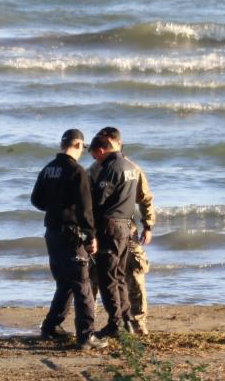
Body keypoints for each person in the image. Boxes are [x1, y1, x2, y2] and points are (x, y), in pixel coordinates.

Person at [30, 128, 107, 350]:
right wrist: (91, 236)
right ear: (79, 146)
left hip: (52, 231)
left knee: (64, 281)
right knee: (82, 283)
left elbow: (36, 200)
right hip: (71, 234)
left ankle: (50, 327)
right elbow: (86, 209)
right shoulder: (77, 171)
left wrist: (54, 208)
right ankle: (86, 336)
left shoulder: (48, 169)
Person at [89, 126, 155, 335]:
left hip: (122, 228)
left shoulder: (131, 168)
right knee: (96, 276)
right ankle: (90, 321)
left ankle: (137, 322)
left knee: (133, 274)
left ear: (115, 143)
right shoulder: (94, 169)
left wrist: (148, 224)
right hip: (112, 228)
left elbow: (144, 198)